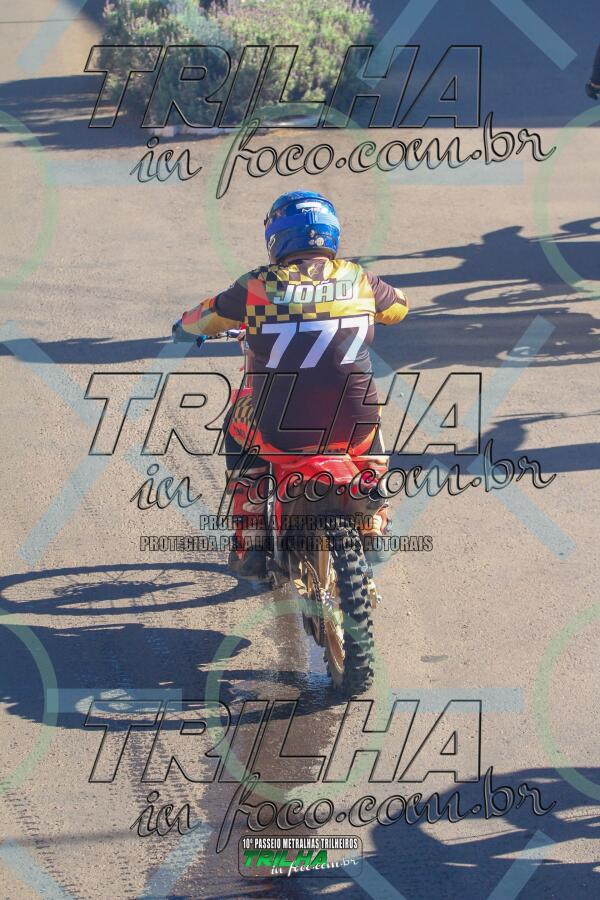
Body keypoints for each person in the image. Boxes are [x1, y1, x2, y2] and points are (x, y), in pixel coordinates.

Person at [173, 191, 409, 577]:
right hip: (353, 425)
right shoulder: (359, 279)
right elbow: (399, 307)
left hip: (282, 429)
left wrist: (184, 328)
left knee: (235, 425)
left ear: (276, 238)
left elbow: (202, 319)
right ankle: (374, 516)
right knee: (372, 414)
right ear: (332, 234)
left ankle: (250, 535)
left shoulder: (257, 286)